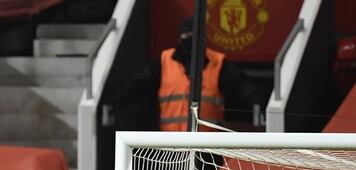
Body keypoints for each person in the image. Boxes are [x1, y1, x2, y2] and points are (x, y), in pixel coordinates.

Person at [112, 17, 263, 132]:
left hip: (208, 151)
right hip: (173, 150)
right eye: (187, 37)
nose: (191, 42)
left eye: (195, 37)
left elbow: (242, 85)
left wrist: (256, 103)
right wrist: (116, 101)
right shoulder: (164, 62)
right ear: (180, 38)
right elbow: (138, 85)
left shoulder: (219, 63)